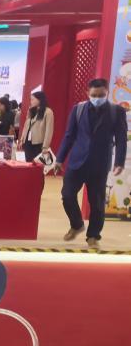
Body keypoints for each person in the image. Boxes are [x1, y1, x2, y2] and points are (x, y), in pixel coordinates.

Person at [57, 78, 127, 249]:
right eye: (94, 95)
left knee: (96, 203)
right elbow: (69, 136)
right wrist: (59, 159)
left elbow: (121, 139)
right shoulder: (78, 110)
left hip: (99, 164)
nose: (97, 98)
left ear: (107, 93)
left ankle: (93, 236)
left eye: (101, 95)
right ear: (88, 93)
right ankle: (77, 224)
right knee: (67, 195)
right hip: (77, 162)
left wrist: (119, 162)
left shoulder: (116, 111)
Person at [18, 88, 53, 163]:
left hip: (38, 143)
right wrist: (22, 140)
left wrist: (45, 146)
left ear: (39, 100)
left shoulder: (48, 112)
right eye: (31, 99)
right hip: (27, 142)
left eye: (33, 99)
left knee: (38, 165)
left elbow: (49, 130)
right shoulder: (31, 110)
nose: (31, 101)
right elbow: (26, 126)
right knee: (28, 163)